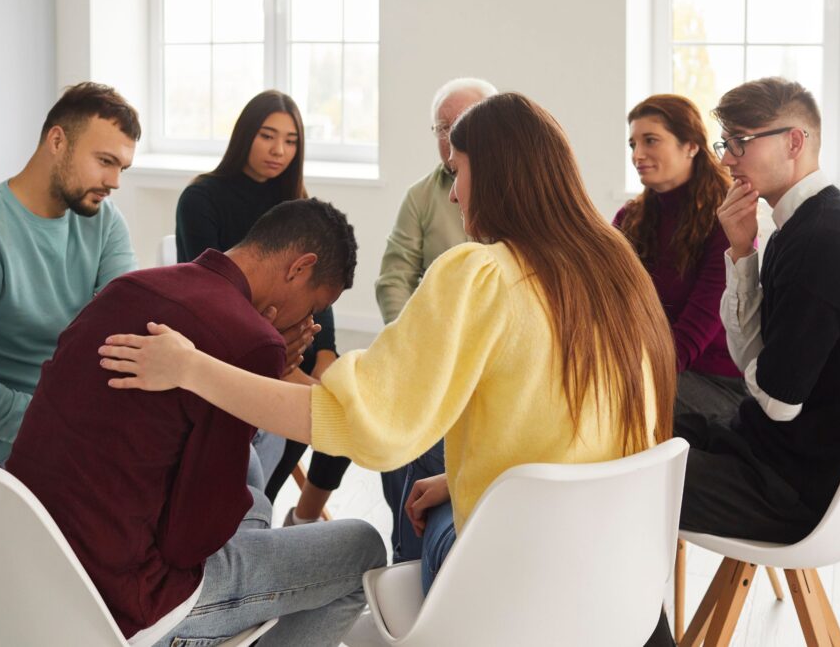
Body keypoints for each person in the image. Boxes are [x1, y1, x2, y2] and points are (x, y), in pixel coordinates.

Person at [101, 93, 679, 644]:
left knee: (388, 528)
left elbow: (364, 425)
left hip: (510, 588)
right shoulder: (617, 269)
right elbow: (582, 428)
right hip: (617, 582)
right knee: (434, 489)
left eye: (458, 172)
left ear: (498, 176)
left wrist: (191, 368)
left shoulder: (480, 275)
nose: (453, 195)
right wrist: (458, 480)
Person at [7, 198, 385, 646]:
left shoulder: (129, 287)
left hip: (31, 570)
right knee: (363, 549)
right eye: (314, 306)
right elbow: (189, 544)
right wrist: (264, 352)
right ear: (299, 268)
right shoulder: (251, 341)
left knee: (251, 486)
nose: (308, 321)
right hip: (133, 601)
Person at [677, 77, 840, 544]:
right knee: (622, 423)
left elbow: (778, 402)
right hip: (763, 448)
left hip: (787, 488)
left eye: (740, 142)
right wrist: (743, 251)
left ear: (794, 142)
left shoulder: (824, 244)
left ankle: (645, 620)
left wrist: (759, 374)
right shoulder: (802, 227)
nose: (725, 159)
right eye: (726, 143)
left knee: (613, 478)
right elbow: (755, 366)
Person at [0, 81, 139, 465]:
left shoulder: (104, 222)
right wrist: (60, 419)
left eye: (122, 167)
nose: (114, 182)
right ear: (57, 141)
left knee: (231, 462)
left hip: (97, 426)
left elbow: (124, 332)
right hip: (34, 450)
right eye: (105, 161)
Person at [174, 89, 345, 524]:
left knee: (344, 413)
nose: (279, 150)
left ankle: (301, 518)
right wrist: (287, 367)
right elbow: (208, 292)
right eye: (268, 136)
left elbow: (318, 291)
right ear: (245, 135)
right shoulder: (201, 199)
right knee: (310, 415)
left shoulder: (299, 204)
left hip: (299, 344)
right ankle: (254, 512)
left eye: (290, 141)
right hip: (241, 345)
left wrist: (325, 355)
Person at [374, 75, 497, 562]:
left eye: (462, 125)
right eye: (443, 127)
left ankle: (413, 554)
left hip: (478, 362)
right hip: (430, 349)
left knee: (422, 429)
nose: (450, 136)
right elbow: (393, 278)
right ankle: (408, 543)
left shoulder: (504, 221)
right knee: (394, 418)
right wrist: (414, 345)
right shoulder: (422, 195)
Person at [615, 94, 746, 423]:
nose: (637, 155)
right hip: (649, 366)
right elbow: (605, 302)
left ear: (691, 145)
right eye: (633, 144)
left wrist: (629, 377)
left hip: (716, 383)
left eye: (651, 141)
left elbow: (692, 335)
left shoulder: (726, 222)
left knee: (609, 400)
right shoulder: (629, 218)